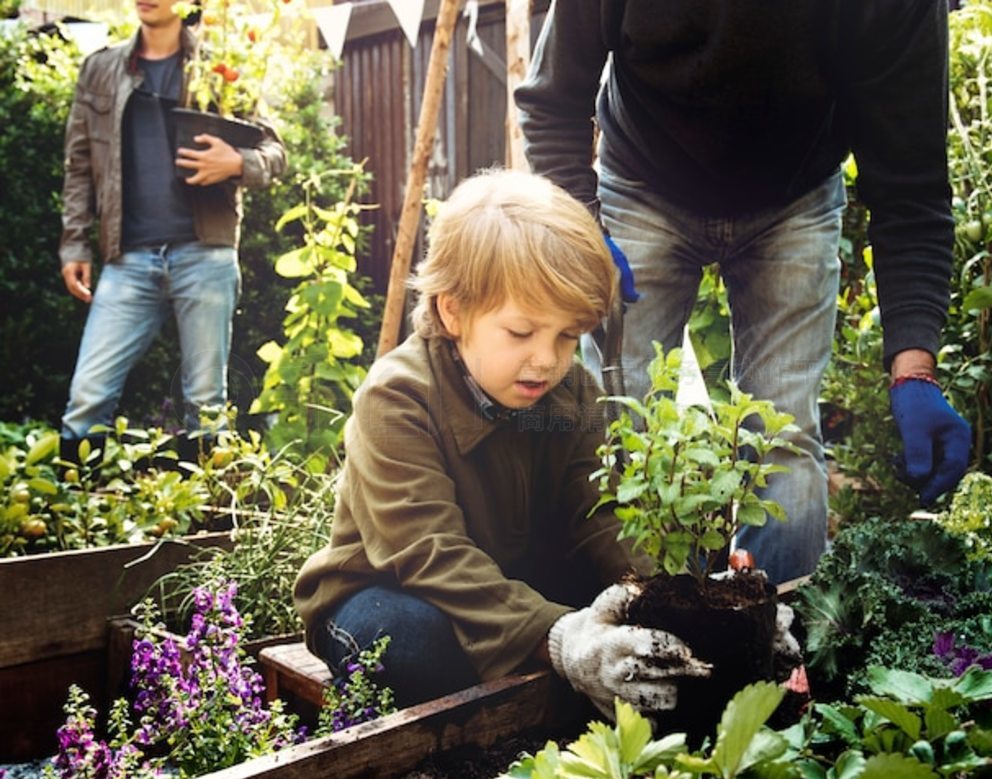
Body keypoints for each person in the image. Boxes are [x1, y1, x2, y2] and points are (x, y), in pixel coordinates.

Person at [515, 0, 972, 584]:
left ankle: (777, 651)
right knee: (620, 435)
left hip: (794, 196)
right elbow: (551, 102)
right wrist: (585, 227)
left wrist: (914, 368)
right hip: (642, 178)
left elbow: (911, 184)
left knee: (784, 437)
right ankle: (621, 641)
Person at [293, 169, 712, 718]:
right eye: (521, 333)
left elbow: (603, 516)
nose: (547, 359)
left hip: (505, 585)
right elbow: (429, 555)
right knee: (413, 643)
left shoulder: (572, 392)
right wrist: (564, 640)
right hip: (386, 591)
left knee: (651, 601)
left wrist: (675, 608)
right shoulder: (396, 399)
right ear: (453, 310)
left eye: (567, 336)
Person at [58, 0, 286, 450]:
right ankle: (76, 511)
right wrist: (75, 245)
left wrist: (236, 162)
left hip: (205, 254)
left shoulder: (222, 68)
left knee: (206, 404)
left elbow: (276, 153)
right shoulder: (101, 69)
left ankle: (207, 514)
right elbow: (79, 165)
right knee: (86, 399)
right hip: (128, 259)